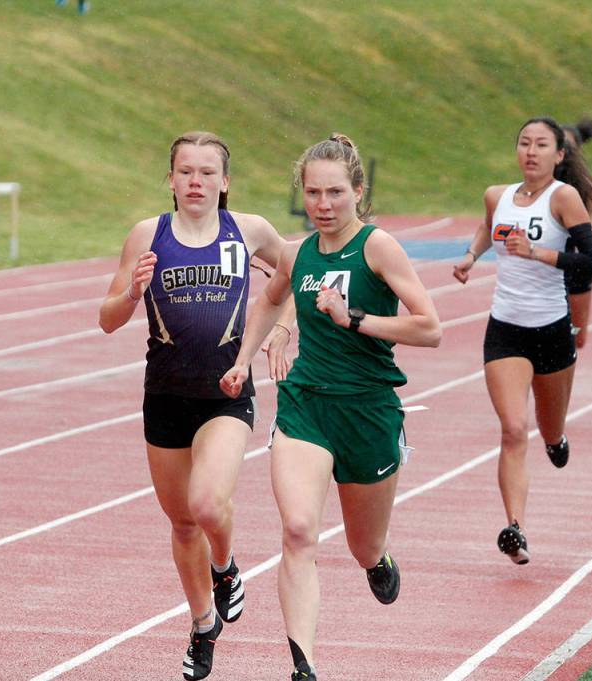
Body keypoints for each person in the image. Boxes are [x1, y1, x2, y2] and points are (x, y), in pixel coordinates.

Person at [219, 134, 442, 681]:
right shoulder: (297, 254)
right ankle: (304, 667)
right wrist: (243, 359)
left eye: (335, 192)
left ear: (357, 191)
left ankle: (377, 559)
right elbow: (269, 301)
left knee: (363, 545)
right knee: (299, 531)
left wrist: (354, 319)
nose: (323, 204)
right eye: (314, 193)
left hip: (368, 411)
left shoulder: (378, 247)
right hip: (306, 407)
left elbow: (429, 328)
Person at [99, 131, 292, 681]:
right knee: (183, 524)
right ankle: (203, 624)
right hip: (164, 396)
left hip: (226, 393)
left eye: (207, 173)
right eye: (186, 171)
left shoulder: (248, 231)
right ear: (170, 179)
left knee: (207, 504)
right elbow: (107, 319)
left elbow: (301, 273)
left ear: (225, 181)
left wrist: (282, 329)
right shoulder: (148, 235)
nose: (196, 182)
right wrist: (131, 293)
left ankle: (225, 566)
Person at [452, 117, 592, 565]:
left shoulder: (564, 198)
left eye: (541, 145)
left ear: (559, 155)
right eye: (524, 143)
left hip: (552, 329)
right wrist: (470, 255)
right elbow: (489, 226)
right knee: (514, 429)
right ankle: (514, 528)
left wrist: (537, 253)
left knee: (548, 427)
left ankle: (555, 439)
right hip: (506, 329)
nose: (531, 152)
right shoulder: (496, 196)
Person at [561, 118, 592, 348]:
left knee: (576, 335)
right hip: (547, 266)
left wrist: (581, 238)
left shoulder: (585, 185)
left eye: (567, 145)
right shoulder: (538, 184)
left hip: (577, 266)